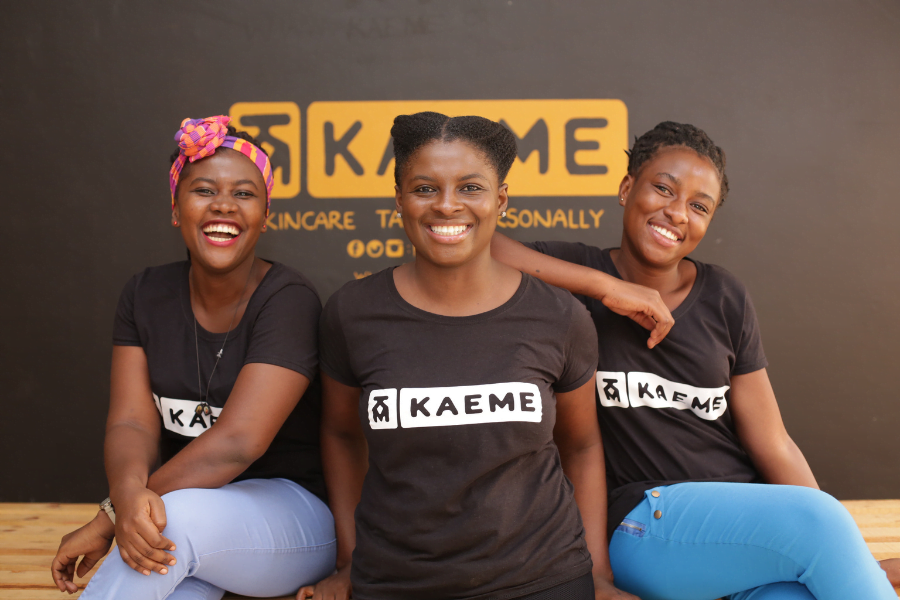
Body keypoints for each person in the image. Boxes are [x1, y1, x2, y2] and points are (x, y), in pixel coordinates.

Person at [491, 121, 900, 599]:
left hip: (744, 529)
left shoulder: (724, 295)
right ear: (626, 188)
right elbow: (481, 246)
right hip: (643, 523)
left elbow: (774, 443)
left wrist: (849, 558)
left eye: (699, 206)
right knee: (822, 520)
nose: (677, 212)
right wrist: (606, 287)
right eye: (663, 189)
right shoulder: (575, 277)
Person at [299, 112, 672, 600]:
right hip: (395, 583)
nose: (446, 205)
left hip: (544, 581)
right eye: (425, 188)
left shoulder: (559, 316)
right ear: (399, 200)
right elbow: (342, 435)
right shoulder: (352, 313)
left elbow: (581, 447)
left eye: (470, 188)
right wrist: (350, 560)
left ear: (500, 200)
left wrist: (598, 574)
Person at [51, 115, 336, 599]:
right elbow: (131, 423)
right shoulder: (145, 294)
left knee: (169, 520)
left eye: (244, 193)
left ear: (266, 214)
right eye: (204, 190)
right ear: (175, 208)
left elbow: (239, 443)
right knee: (164, 563)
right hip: (188, 515)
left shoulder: (288, 299)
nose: (223, 204)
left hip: (294, 518)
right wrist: (127, 492)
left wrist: (111, 517)